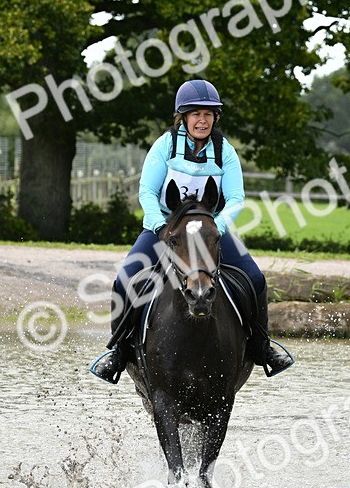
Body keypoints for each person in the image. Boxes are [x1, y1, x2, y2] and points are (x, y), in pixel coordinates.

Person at [89, 78, 295, 383]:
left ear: (215, 118)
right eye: (196, 114)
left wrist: (218, 227)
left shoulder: (224, 151)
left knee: (255, 278)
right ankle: (119, 352)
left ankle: (262, 347)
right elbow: (147, 192)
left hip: (209, 231)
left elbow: (236, 197)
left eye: (208, 114)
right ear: (183, 117)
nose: (202, 120)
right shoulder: (165, 145)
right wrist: (160, 226)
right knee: (125, 280)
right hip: (165, 229)